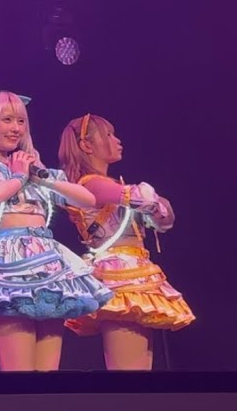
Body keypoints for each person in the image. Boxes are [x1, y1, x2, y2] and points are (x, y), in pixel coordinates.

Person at [0, 91, 110, 371]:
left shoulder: (32, 169)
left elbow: (87, 199)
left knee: (48, 373)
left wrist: (40, 178)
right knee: (19, 372)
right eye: (7, 120)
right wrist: (18, 176)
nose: (16, 128)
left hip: (47, 261)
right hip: (5, 260)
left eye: (21, 121)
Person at [58, 113, 193, 369]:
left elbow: (164, 217)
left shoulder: (110, 183)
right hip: (118, 274)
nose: (117, 140)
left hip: (136, 270)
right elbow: (141, 198)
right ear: (87, 145)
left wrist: (156, 206)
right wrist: (154, 203)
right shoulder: (91, 183)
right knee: (128, 370)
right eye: (108, 135)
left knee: (140, 368)